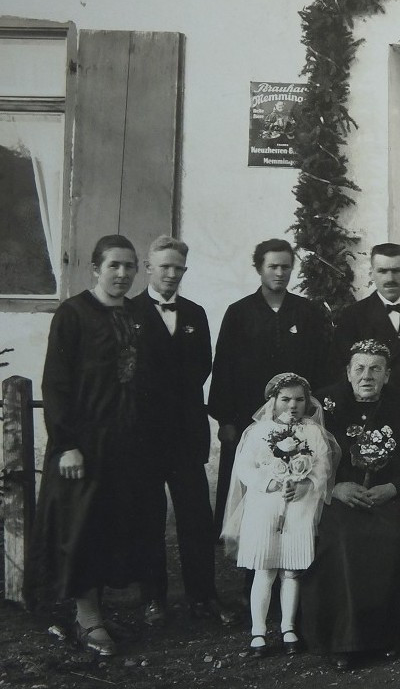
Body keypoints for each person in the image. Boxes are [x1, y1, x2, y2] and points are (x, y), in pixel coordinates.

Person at [29, 235, 146, 656]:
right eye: (114, 265)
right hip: (84, 445)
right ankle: (87, 617)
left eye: (130, 266)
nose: (122, 274)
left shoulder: (135, 314)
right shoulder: (74, 313)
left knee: (111, 528)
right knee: (81, 529)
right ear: (95, 268)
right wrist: (67, 445)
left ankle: (93, 610)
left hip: (122, 445)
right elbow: (56, 384)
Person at [300, 340, 400, 670]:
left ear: (387, 375)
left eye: (375, 369)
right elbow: (310, 454)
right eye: (359, 368)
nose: (366, 375)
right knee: (341, 537)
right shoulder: (325, 402)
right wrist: (335, 486)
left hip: (390, 497)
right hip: (339, 496)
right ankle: (341, 640)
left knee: (387, 536)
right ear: (348, 372)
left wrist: (394, 487)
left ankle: (384, 636)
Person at [129, 235, 233, 627]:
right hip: (145, 435)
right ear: (149, 268)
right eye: (165, 267)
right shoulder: (130, 312)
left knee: (195, 519)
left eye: (179, 268)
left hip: (186, 434)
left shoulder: (195, 313)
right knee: (149, 518)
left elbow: (201, 367)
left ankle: (203, 597)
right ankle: (153, 598)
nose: (172, 274)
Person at [208, 238, 335, 532]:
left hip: (296, 414)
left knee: (295, 479)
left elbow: (321, 364)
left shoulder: (307, 312)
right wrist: (225, 420)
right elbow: (223, 366)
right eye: (273, 266)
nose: (280, 273)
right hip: (246, 415)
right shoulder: (239, 312)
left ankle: (293, 540)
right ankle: (246, 544)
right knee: (250, 480)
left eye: (286, 267)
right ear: (259, 268)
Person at [221, 374, 339, 657]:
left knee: (291, 570)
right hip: (265, 507)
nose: (292, 405)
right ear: (272, 402)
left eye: (299, 400)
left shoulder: (313, 432)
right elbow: (245, 468)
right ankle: (258, 631)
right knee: (265, 569)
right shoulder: (258, 431)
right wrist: (271, 482)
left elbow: (323, 466)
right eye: (285, 399)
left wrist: (304, 485)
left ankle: (288, 628)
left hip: (300, 507)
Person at [334, 242, 400, 397]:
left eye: (396, 271)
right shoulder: (352, 316)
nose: (390, 278)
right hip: (370, 409)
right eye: (383, 271)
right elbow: (342, 370)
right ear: (371, 273)